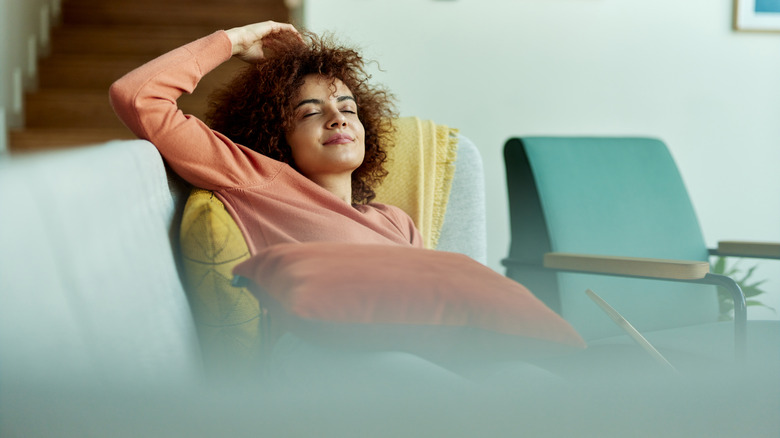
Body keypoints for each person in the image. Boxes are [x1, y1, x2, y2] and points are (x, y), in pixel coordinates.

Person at [110, 21, 423, 257]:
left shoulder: (395, 221)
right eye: (310, 113)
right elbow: (138, 96)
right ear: (276, 134)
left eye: (348, 109)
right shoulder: (257, 181)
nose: (338, 118)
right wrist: (234, 41)